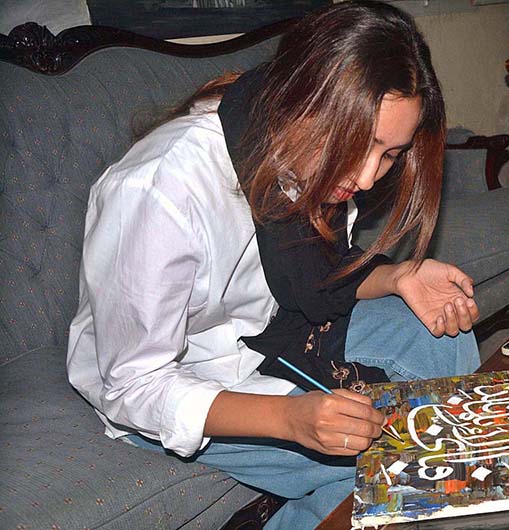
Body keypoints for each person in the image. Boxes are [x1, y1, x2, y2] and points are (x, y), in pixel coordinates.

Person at [66, 1, 481, 528]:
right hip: (192, 382)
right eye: (362, 145)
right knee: (377, 461)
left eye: (390, 154)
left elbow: (322, 274)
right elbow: (131, 385)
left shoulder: (301, 143)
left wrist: (399, 276)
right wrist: (290, 419)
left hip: (278, 330)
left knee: (444, 340)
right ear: (301, 100)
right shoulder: (160, 191)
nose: (370, 177)